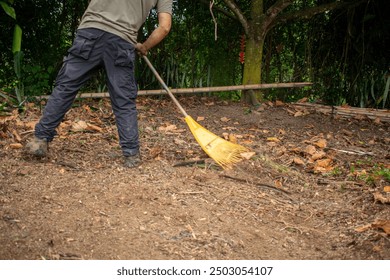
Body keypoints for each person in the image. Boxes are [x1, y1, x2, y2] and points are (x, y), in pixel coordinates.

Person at [25, 0, 173, 168]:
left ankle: (40, 140)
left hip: (90, 33)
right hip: (122, 41)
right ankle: (131, 154)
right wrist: (144, 46)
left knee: (66, 88)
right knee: (123, 100)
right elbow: (164, 27)